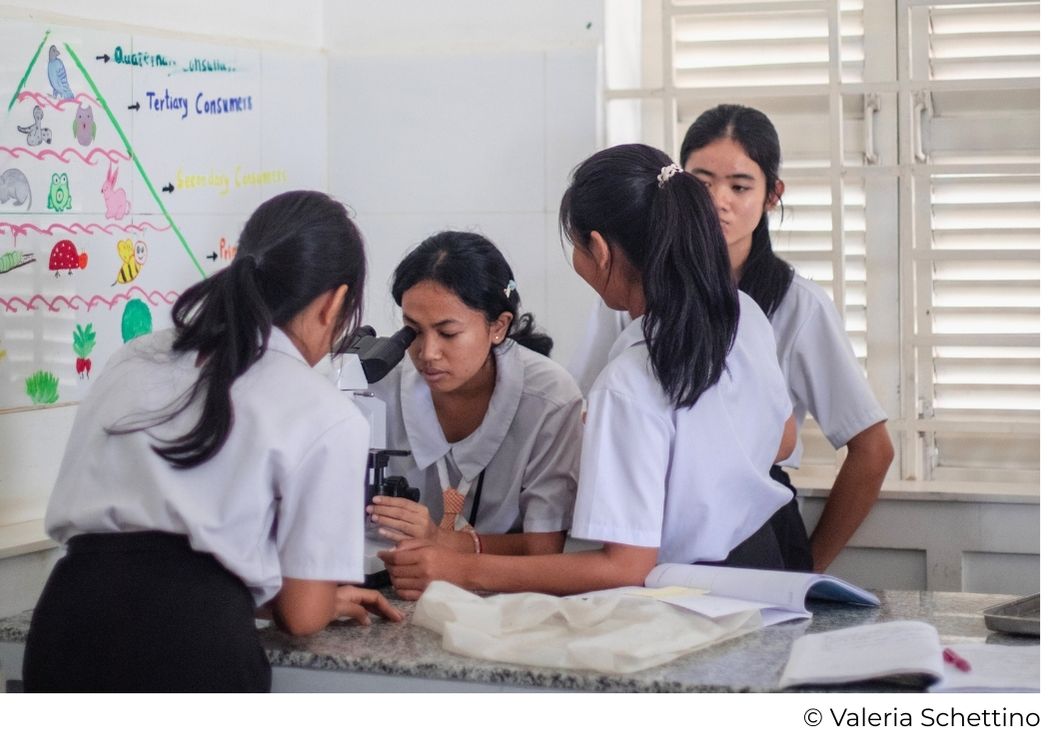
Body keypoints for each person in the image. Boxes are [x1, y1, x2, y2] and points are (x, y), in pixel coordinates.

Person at [23, 190, 402, 693]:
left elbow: (155, 555)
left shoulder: (137, 356)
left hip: (68, 623)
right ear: (334, 302)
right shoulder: (326, 413)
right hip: (190, 648)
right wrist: (318, 600)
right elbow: (301, 615)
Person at [381, 145, 797, 597]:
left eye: (575, 246)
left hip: (689, 591)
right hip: (762, 563)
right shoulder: (742, 314)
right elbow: (782, 436)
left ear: (599, 250)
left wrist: (457, 569)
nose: (428, 354)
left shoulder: (627, 382)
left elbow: (624, 568)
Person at [567, 104, 894, 572]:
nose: (718, 201)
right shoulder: (624, 300)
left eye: (740, 186)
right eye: (702, 184)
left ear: (771, 195)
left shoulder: (785, 307)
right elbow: (592, 408)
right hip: (660, 531)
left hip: (749, 528)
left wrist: (805, 571)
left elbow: (868, 447)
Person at [365, 231, 582, 569]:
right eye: (413, 330)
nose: (428, 353)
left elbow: (544, 549)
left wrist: (442, 541)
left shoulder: (549, 399)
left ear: (498, 326)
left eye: (448, 333)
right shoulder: (377, 389)